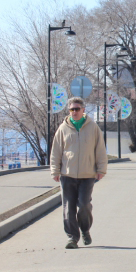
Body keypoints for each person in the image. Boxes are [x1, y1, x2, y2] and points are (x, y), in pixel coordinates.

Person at [50, 97, 107, 249]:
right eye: (71, 109)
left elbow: (100, 149)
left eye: (77, 109)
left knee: (84, 205)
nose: (74, 112)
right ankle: (72, 238)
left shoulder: (93, 127)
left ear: (83, 110)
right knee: (68, 208)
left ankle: (85, 230)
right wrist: (55, 170)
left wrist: (101, 169)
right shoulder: (63, 128)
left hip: (87, 175)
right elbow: (56, 151)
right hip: (67, 175)